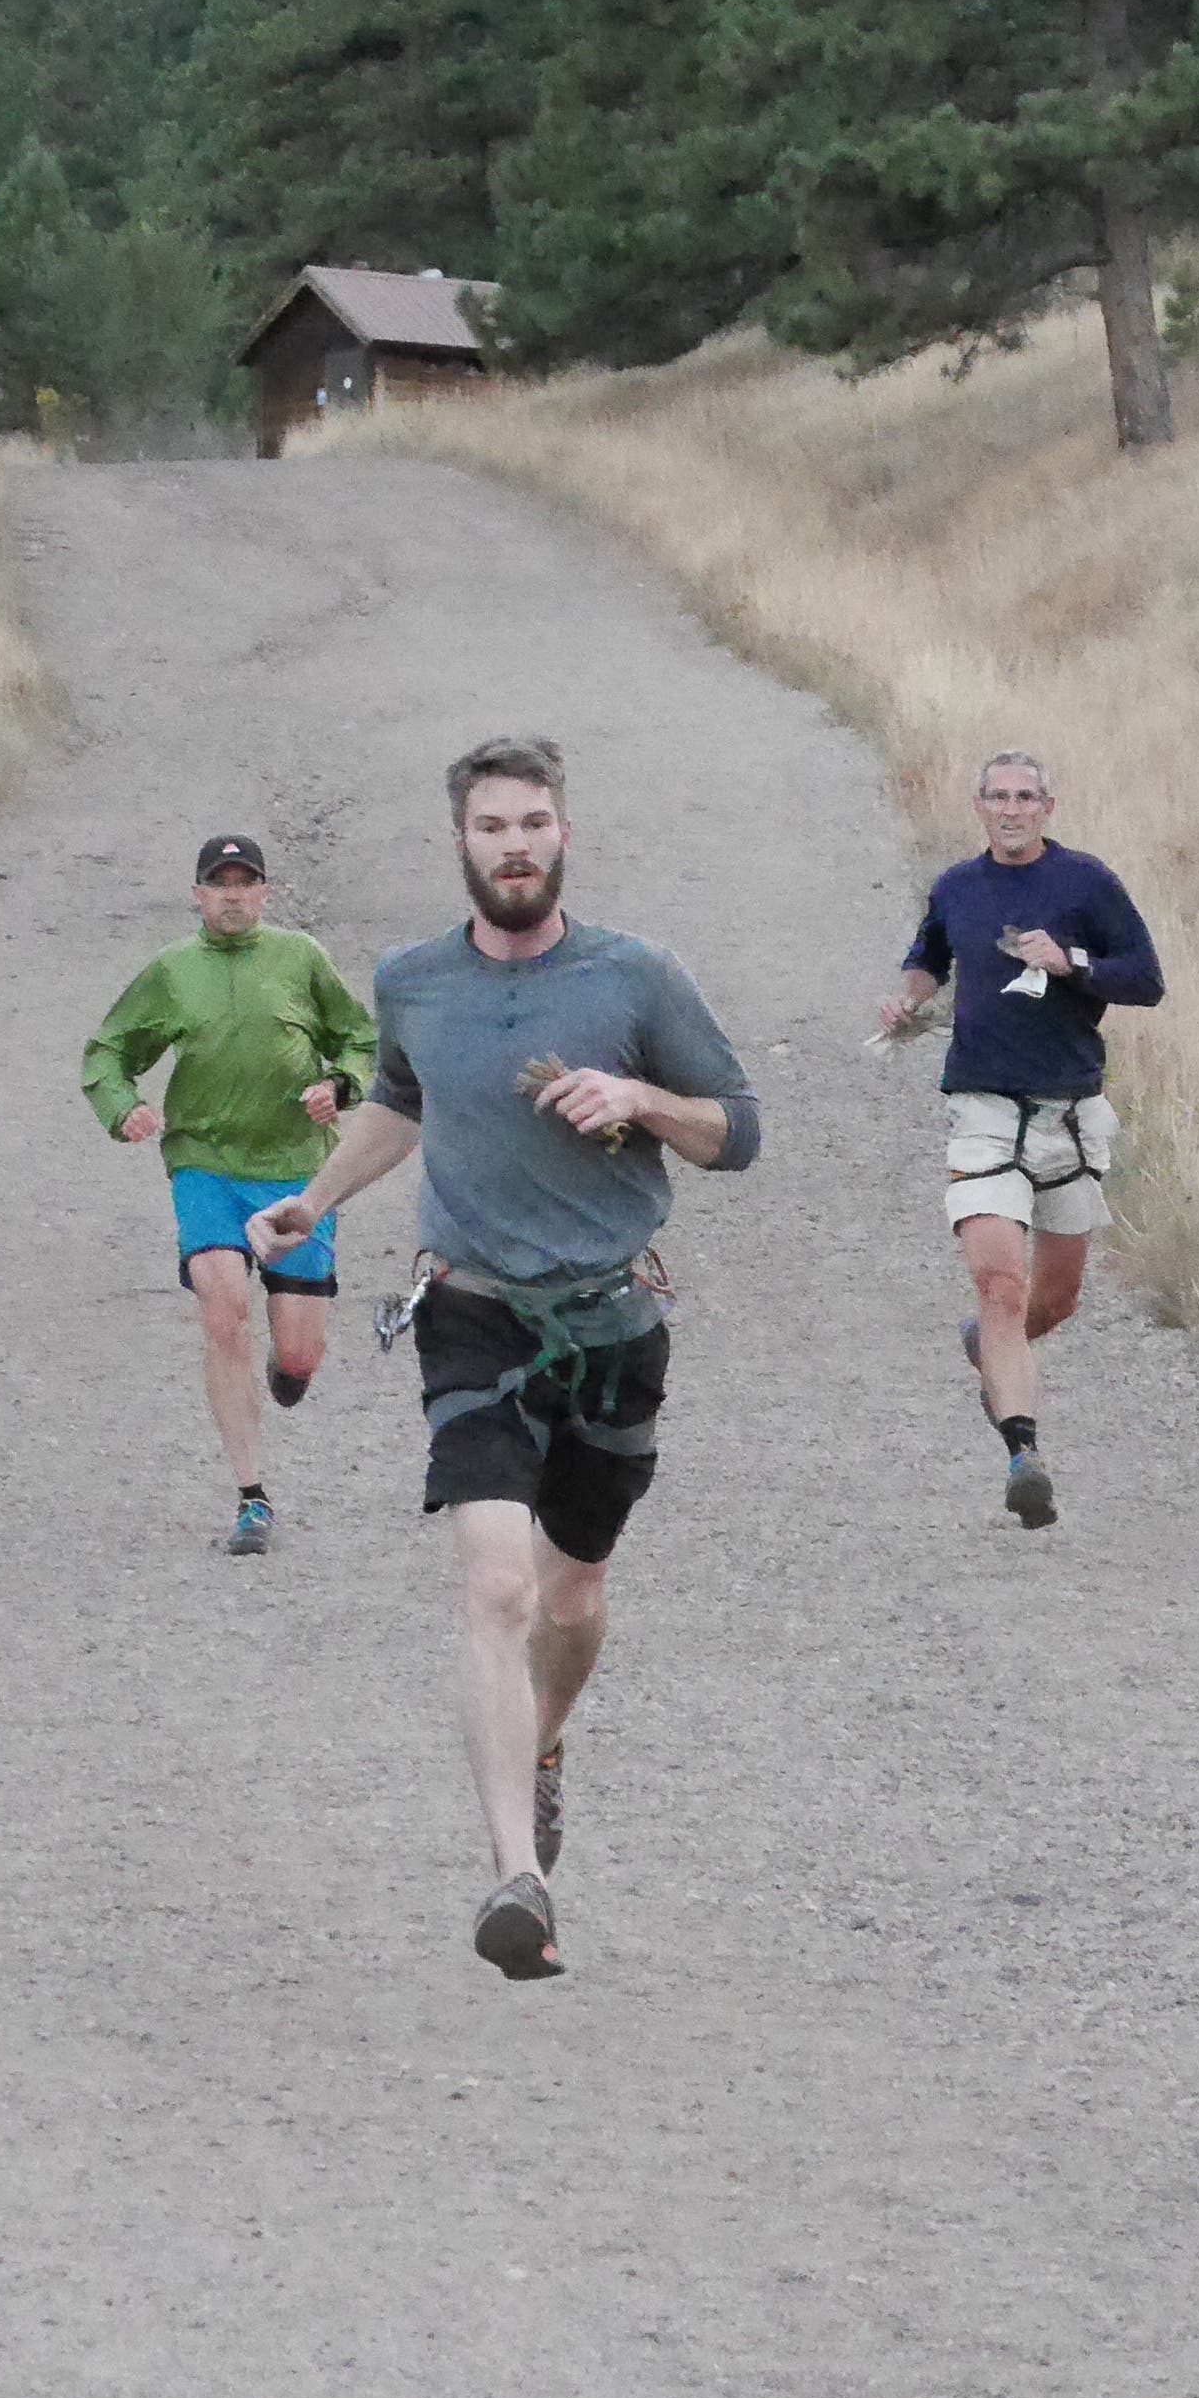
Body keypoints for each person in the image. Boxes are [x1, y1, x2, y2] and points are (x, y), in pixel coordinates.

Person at [247, 736, 760, 1979]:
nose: (514, 844)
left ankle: (542, 1744)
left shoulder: (637, 976)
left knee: (572, 1593)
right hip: (469, 1311)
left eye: (533, 822)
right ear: (461, 842)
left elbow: (735, 1131)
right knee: (494, 1587)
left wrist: (638, 1101)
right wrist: (314, 1202)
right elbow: (402, 1101)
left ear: (563, 834)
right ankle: (512, 1877)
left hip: (613, 1322)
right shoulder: (413, 978)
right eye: (491, 826)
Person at [877, 749, 1164, 1532]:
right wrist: (906, 1003)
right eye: (997, 797)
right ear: (979, 808)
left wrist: (1069, 961)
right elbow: (927, 958)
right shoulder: (957, 887)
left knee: (1054, 1301)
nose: (1011, 810)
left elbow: (1145, 978)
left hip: (1069, 1113)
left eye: (1025, 797)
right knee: (1001, 1288)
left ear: (1048, 807)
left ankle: (995, 1356)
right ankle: (1022, 1454)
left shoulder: (1087, 884)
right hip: (980, 1107)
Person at [83, 835, 376, 1556]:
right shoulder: (172, 973)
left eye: (246, 884)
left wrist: (337, 1087)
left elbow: (360, 1039)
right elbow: (108, 1051)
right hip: (205, 1164)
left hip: (297, 1170)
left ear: (266, 894)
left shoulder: (302, 959)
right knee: (223, 1308)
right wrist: (122, 1108)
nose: (232, 896)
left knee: (301, 1353)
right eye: (219, 884)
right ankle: (252, 1498)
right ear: (197, 894)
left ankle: (288, 1369)